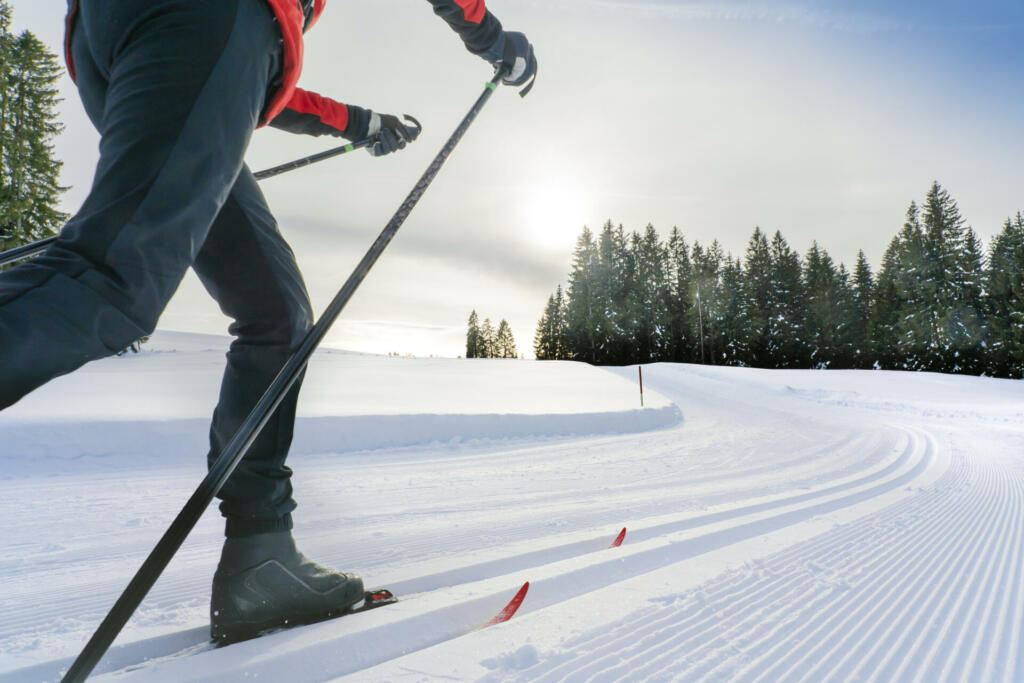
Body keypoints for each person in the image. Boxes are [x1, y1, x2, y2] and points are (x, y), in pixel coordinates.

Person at [0, 0, 535, 643]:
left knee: (276, 315)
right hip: (197, 21)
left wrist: (358, 123)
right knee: (112, 279)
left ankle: (262, 557)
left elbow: (236, 78)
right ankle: (261, 556)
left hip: (115, 39)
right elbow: (228, 45)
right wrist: (491, 36)